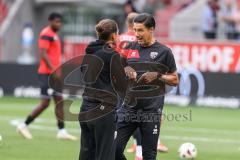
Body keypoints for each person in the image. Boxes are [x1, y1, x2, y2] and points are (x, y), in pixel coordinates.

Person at [115, 13, 179, 160]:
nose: (136, 34)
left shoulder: (164, 52)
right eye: (135, 30)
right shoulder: (129, 48)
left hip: (151, 111)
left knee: (149, 156)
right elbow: (120, 68)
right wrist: (124, 70)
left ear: (151, 29)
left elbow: (175, 80)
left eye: (140, 30)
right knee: (113, 150)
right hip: (128, 109)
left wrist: (158, 76)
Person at [17, 12, 77, 141]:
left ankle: (61, 131)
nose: (59, 24)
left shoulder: (54, 35)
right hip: (47, 73)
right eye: (56, 21)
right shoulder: (46, 33)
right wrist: (53, 70)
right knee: (45, 103)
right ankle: (23, 125)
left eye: (60, 22)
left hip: (54, 74)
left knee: (60, 102)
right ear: (50, 21)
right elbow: (43, 53)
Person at [79, 19, 119, 160]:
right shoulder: (112, 55)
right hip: (103, 112)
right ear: (114, 35)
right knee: (105, 155)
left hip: (85, 109)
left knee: (86, 154)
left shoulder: (88, 53)